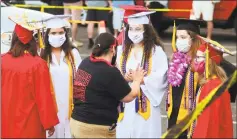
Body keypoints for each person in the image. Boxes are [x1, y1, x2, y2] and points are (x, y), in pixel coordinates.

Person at [70, 33, 146, 138]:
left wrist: (123, 80)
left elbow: (101, 84)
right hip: (95, 127)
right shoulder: (109, 71)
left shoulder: (86, 62)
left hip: (76, 122)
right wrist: (137, 80)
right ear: (113, 49)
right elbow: (130, 96)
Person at [1, 15, 59, 138]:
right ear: (33, 40)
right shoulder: (38, 64)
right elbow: (44, 97)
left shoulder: (3, 61)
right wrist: (49, 123)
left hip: (8, 119)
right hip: (31, 122)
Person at [116, 11, 168, 138]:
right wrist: (125, 78)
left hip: (147, 105)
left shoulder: (156, 51)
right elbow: (115, 74)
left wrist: (140, 80)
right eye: (131, 29)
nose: (134, 33)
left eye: (138, 29)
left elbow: (162, 77)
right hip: (126, 104)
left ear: (146, 30)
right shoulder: (122, 50)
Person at [41, 15, 82, 138]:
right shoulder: (41, 55)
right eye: (53, 33)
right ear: (47, 35)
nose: (57, 36)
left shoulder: (73, 54)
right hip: (51, 107)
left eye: (60, 32)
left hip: (71, 106)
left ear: (65, 34)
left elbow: (81, 80)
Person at [191, 41, 233, 138]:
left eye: (199, 57)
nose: (196, 60)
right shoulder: (213, 81)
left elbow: (207, 125)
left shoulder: (211, 87)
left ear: (209, 61)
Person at [166, 23, 201, 138]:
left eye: (183, 37)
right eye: (177, 37)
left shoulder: (201, 61)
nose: (179, 41)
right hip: (174, 115)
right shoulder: (176, 59)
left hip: (191, 117)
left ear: (194, 39)